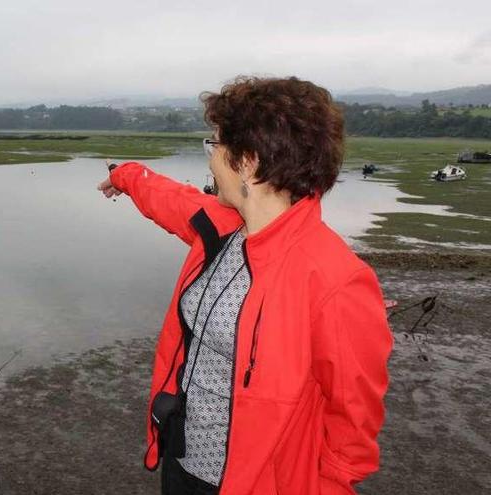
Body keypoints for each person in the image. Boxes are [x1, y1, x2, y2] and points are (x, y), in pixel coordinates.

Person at [97, 76, 392, 495]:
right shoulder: (222, 228)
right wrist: (125, 175)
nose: (211, 159)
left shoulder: (335, 280)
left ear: (247, 162)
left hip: (255, 483)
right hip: (181, 462)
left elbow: (353, 425)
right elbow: (169, 198)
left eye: (215, 146)